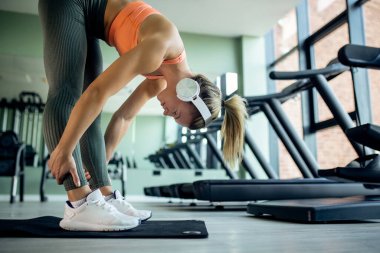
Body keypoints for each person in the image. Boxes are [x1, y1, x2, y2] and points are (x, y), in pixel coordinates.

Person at [39, 0, 248, 231]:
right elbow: (98, 93)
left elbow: (124, 117)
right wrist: (65, 149)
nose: (167, 113)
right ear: (186, 90)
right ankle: (78, 205)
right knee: (68, 93)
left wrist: (100, 165)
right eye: (176, 112)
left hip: (88, 17)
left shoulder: (161, 78)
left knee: (90, 117)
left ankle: (105, 196)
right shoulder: (159, 48)